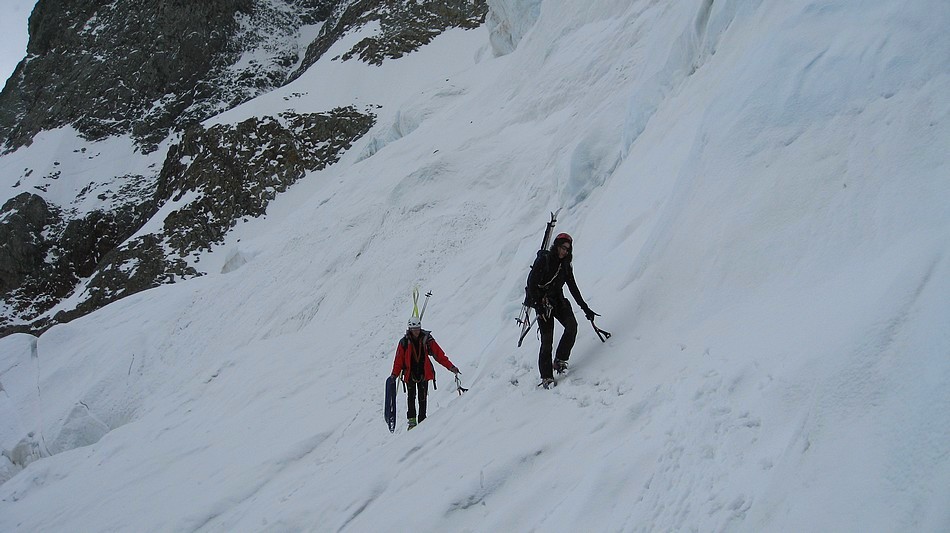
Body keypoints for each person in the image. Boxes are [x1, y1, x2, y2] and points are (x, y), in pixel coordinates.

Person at [524, 232, 598, 388]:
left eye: (568, 249)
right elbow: (531, 284)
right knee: (547, 341)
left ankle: (560, 360)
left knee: (572, 326)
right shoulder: (544, 261)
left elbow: (572, 287)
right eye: (563, 247)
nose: (565, 251)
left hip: (558, 300)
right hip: (543, 303)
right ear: (556, 246)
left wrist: (585, 308)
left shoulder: (565, 265)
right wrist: (538, 305)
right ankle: (546, 377)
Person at [391, 316, 459, 429]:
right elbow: (398, 360)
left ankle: (422, 420)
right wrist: (394, 375)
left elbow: (439, 355)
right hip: (410, 373)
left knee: (422, 397)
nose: (416, 331)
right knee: (411, 397)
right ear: (410, 329)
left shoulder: (427, 339)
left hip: (423, 373)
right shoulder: (404, 342)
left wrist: (451, 367)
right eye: (414, 329)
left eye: (418, 329)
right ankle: (412, 422)